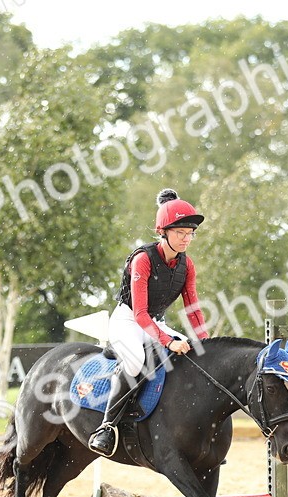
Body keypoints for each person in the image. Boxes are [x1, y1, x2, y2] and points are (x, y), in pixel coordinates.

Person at [88, 188, 209, 457]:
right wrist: (169, 341)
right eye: (181, 233)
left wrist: (204, 340)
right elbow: (140, 314)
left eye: (190, 233)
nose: (187, 239)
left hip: (156, 322)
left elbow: (193, 309)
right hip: (127, 320)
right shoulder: (143, 260)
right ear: (163, 232)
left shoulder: (187, 266)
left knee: (190, 354)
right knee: (135, 361)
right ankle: (106, 427)